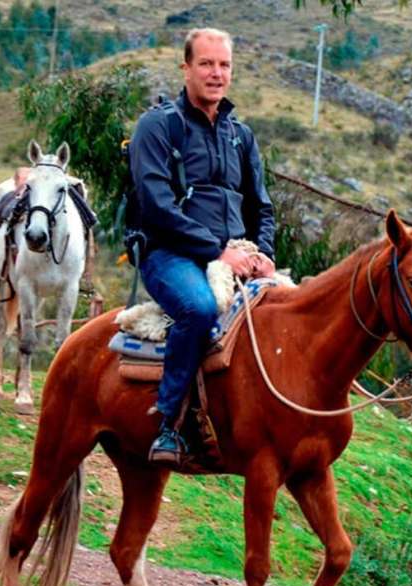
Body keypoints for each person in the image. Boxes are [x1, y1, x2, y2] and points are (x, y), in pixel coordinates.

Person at [126, 27, 275, 465]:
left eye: (224, 65)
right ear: (186, 68)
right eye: (206, 64)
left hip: (236, 252)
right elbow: (157, 206)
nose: (216, 73)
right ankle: (168, 425)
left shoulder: (240, 136)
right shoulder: (158, 126)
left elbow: (261, 207)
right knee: (199, 308)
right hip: (168, 254)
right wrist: (216, 251)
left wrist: (262, 253)